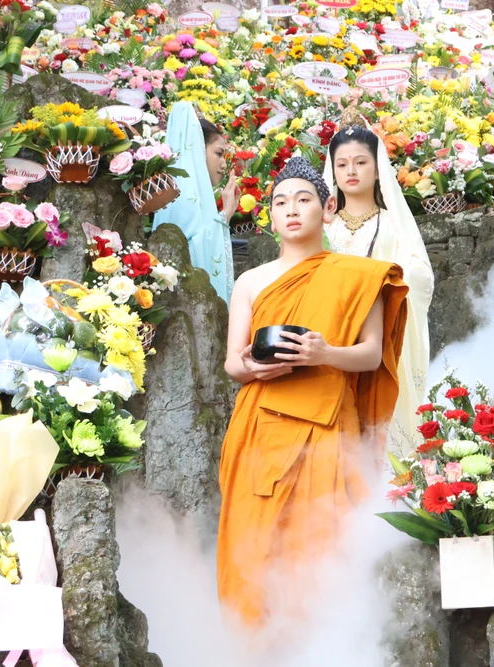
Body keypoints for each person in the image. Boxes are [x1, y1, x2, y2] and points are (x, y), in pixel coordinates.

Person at [217, 157, 409, 629]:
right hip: (261, 422)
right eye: (281, 202)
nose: (292, 210)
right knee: (255, 537)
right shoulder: (251, 280)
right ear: (269, 215)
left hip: (328, 424)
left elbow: (369, 355)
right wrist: (256, 369)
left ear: (328, 208)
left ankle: (324, 642)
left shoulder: (360, 275)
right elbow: (232, 362)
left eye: (303, 199)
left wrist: (322, 353)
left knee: (323, 536)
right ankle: (253, 645)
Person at [323, 108, 435, 460]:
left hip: (383, 337)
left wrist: (381, 281)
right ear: (332, 170)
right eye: (342, 165)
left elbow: (421, 276)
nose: (351, 172)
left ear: (377, 169)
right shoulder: (324, 225)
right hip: (331, 335)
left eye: (360, 162)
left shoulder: (392, 224)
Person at [152, 102, 241, 305]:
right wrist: (225, 215)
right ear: (198, 149)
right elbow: (189, 254)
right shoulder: (184, 196)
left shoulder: (182, 191)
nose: (223, 164)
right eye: (218, 154)